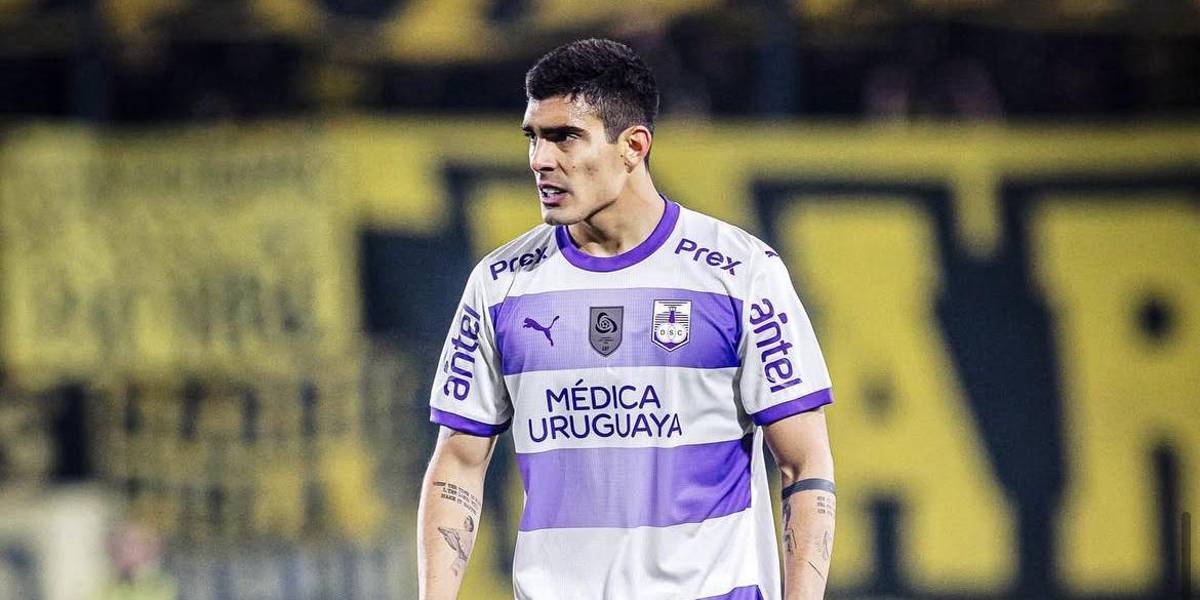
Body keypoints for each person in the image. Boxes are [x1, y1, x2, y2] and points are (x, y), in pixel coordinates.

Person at [417, 38, 836, 600]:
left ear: (633, 146)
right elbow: (459, 462)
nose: (540, 160)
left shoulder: (740, 274)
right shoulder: (500, 284)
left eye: (565, 136)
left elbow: (804, 463)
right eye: (533, 137)